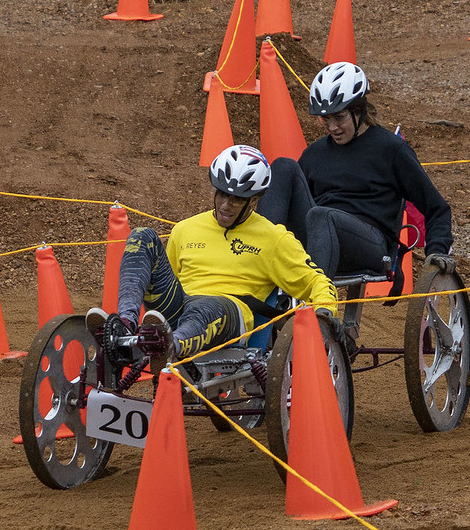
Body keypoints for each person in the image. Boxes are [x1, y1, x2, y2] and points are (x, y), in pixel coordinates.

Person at [89, 146, 339, 375]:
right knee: (141, 236)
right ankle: (123, 328)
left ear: (254, 201)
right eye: (221, 194)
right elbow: (170, 281)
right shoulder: (185, 229)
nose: (226, 205)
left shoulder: (275, 239)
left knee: (207, 307)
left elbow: (317, 282)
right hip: (180, 306)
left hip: (229, 313)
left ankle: (168, 348)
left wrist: (325, 311)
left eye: (237, 199)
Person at [271, 62, 458, 289]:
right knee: (282, 166)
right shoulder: (315, 153)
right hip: (319, 237)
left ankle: (316, 307)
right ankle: (253, 260)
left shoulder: (391, 149)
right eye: (325, 119)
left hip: (369, 244)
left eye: (339, 118)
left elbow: (436, 207)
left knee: (322, 215)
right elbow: (297, 204)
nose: (332, 127)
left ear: (359, 110)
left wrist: (437, 250)